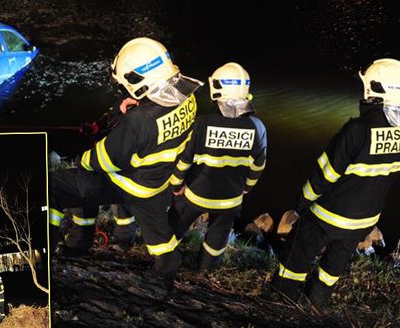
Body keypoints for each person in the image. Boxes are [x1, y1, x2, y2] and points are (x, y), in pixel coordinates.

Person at [49, 36, 203, 293]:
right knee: (160, 240)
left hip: (125, 181)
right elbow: (160, 120)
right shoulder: (189, 98)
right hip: (156, 185)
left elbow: (107, 159)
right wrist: (133, 110)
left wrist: (81, 160)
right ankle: (163, 279)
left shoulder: (138, 122)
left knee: (55, 187)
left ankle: (48, 251)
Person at [270, 58, 400, 308]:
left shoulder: (357, 130)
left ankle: (282, 299)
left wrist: (302, 203)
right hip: (365, 220)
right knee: (334, 264)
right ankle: (316, 301)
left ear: (373, 89)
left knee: (298, 254)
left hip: (328, 215)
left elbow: (325, 175)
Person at [169, 62, 267, 272]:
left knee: (175, 224)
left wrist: (176, 185)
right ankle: (206, 269)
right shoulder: (257, 127)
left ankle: (166, 262)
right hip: (230, 199)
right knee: (218, 235)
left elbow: (184, 160)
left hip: (196, 194)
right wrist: (247, 188)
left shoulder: (202, 123)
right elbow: (258, 165)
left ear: (217, 89)